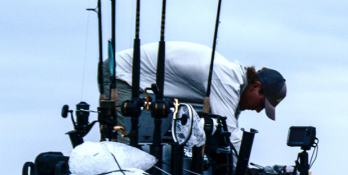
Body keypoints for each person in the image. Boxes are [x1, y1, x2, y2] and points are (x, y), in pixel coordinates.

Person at [111, 41, 287, 148]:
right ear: (255, 87)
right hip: (122, 75)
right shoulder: (226, 79)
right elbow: (231, 135)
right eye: (262, 104)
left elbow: (221, 131)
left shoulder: (236, 87)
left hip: (147, 88)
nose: (258, 110)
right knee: (129, 147)